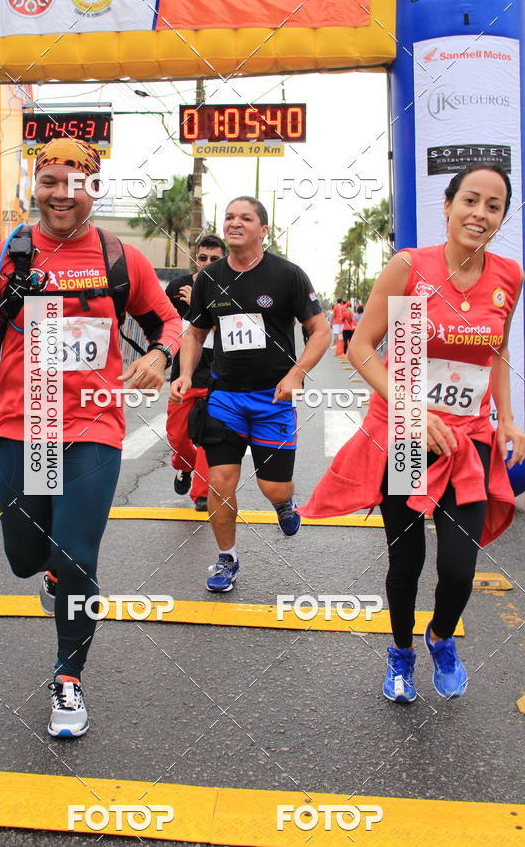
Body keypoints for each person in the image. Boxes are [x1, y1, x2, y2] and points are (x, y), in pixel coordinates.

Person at [0, 139, 181, 737]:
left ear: (94, 190)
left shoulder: (122, 257)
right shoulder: (3, 258)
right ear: (34, 187)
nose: (61, 195)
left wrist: (163, 355)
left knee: (77, 555)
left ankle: (68, 678)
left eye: (76, 183)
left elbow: (166, 320)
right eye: (50, 182)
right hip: (24, 422)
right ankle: (49, 573)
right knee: (24, 557)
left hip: (95, 424)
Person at [301, 165, 524, 702]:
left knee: (459, 568)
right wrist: (413, 411)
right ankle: (400, 654)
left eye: (493, 206)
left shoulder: (508, 276)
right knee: (407, 560)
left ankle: (440, 637)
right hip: (405, 437)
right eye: (470, 200)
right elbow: (361, 348)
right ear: (447, 207)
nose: (480, 213)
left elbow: (495, 353)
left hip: (466, 441)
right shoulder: (410, 268)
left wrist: (507, 417)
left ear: (501, 218)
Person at [170, 196, 330, 592]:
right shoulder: (208, 278)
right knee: (219, 483)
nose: (234, 223)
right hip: (224, 396)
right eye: (229, 216)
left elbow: (320, 331)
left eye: (245, 217)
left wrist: (296, 374)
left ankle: (283, 504)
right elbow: (195, 332)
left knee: (272, 485)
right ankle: (227, 559)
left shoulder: (287, 275)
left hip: (272, 398)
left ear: (264, 229)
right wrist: (186, 373)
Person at [166, 234, 226, 512]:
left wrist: (199, 308)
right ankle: (183, 466)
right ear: (195, 258)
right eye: (203, 257)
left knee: (210, 437)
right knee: (178, 436)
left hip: (219, 374)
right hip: (185, 374)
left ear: (223, 259)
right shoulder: (178, 287)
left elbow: (230, 330)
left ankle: (202, 494)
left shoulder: (230, 288)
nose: (207, 263)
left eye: (215, 259)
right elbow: (164, 324)